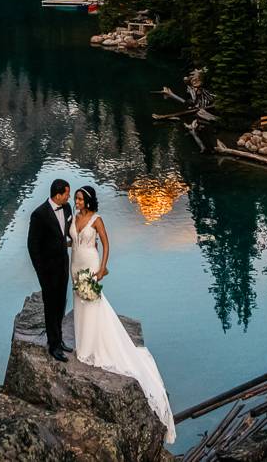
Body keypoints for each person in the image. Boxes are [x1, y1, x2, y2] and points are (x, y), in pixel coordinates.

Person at [69, 185, 176, 443]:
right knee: (79, 304)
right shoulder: (73, 218)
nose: (77, 201)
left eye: (81, 198)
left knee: (94, 303)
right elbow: (69, 240)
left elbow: (106, 243)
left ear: (89, 201)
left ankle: (94, 346)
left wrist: (103, 268)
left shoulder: (96, 220)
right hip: (75, 264)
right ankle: (83, 344)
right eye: (76, 198)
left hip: (91, 264)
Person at [26, 178, 73, 361]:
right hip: (48, 271)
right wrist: (41, 272)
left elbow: (67, 232)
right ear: (58, 195)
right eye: (67, 194)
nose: (69, 196)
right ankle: (53, 346)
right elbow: (33, 246)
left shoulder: (67, 208)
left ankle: (59, 339)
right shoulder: (39, 214)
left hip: (63, 266)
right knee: (50, 307)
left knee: (61, 304)